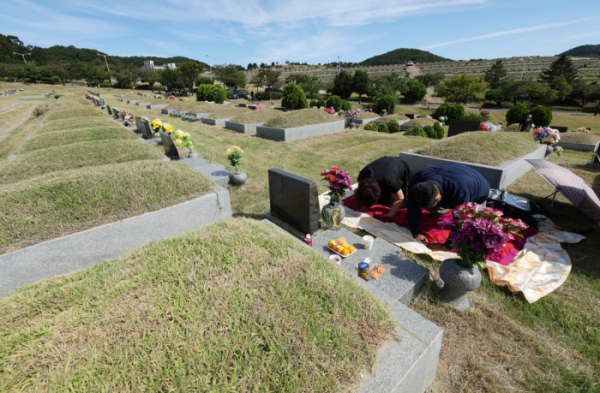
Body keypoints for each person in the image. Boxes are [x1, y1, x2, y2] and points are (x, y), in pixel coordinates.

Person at [407, 163, 490, 243]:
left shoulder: (460, 193)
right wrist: (415, 232)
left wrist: (447, 245)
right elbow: (412, 205)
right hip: (455, 175)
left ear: (437, 198)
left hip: (478, 189)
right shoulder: (418, 179)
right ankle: (441, 211)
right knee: (434, 211)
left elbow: (461, 221)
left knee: (474, 229)